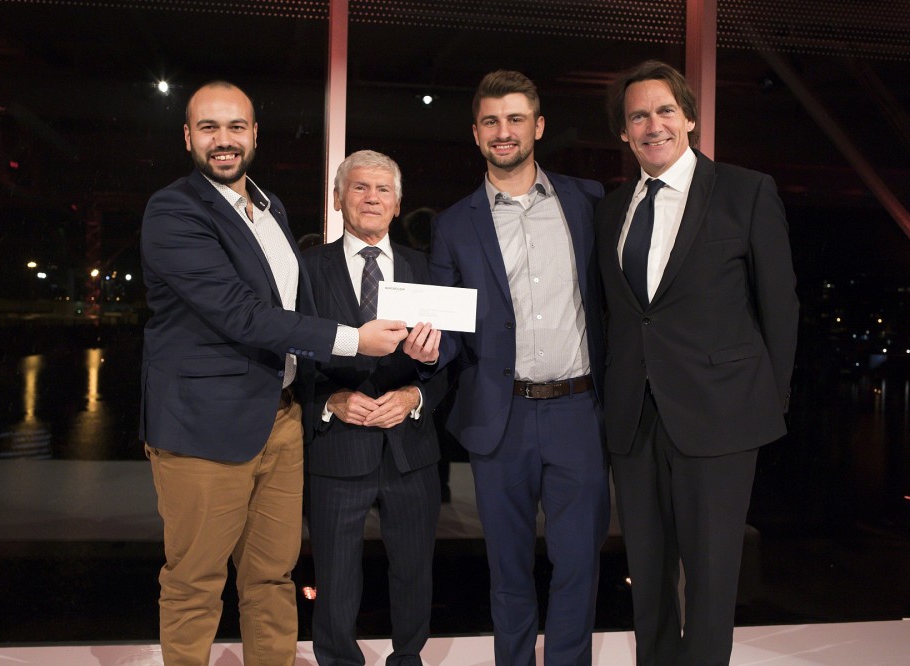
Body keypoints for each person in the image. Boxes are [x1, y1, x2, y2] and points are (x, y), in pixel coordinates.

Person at [139, 80, 408, 666]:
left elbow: (290, 306)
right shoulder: (174, 211)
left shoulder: (268, 207)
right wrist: (354, 339)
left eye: (236, 126)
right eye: (209, 128)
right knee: (195, 581)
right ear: (187, 137)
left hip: (280, 420)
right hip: (204, 428)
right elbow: (241, 314)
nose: (224, 139)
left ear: (254, 134)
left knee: (272, 577)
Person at [595, 60, 799, 665]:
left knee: (711, 580)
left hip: (722, 415)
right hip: (635, 418)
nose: (652, 124)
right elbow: (618, 315)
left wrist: (766, 402)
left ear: (688, 118)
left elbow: (780, 305)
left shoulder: (745, 191)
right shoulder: (611, 209)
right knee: (648, 578)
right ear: (624, 132)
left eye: (664, 110)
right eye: (638, 116)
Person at [403, 70, 609, 666]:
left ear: (538, 127)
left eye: (516, 118)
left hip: (579, 412)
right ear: (476, 132)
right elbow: (449, 325)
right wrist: (429, 350)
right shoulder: (453, 224)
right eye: (491, 120)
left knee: (578, 567)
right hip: (501, 416)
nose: (503, 131)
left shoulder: (589, 201)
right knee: (508, 572)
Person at [302, 150, 447, 666]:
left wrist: (414, 397)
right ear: (338, 199)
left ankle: (408, 660)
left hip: (411, 450)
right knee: (335, 578)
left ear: (397, 203)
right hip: (336, 448)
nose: (371, 198)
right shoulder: (305, 270)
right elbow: (292, 356)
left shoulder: (426, 268)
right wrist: (329, 401)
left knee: (414, 574)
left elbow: (450, 360)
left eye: (383, 189)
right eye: (359, 188)